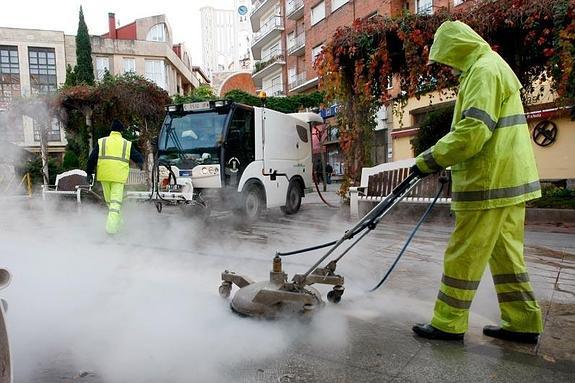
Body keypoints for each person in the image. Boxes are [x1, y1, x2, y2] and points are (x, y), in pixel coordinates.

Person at [410, 21, 543, 344]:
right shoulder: (490, 66)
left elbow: (473, 132)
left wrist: (429, 159)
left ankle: (448, 322)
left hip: (489, 181)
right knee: (507, 257)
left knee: (463, 253)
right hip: (509, 179)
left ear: (458, 47)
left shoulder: (483, 71)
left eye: (447, 57)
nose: (448, 66)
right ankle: (523, 322)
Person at [86, 119, 144, 235]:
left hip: (105, 176)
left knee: (110, 202)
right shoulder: (126, 143)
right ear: (121, 131)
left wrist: (89, 173)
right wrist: (141, 165)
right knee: (115, 203)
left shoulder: (102, 142)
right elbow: (138, 157)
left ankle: (119, 224)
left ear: (111, 130)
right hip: (118, 177)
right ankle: (111, 230)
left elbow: (92, 158)